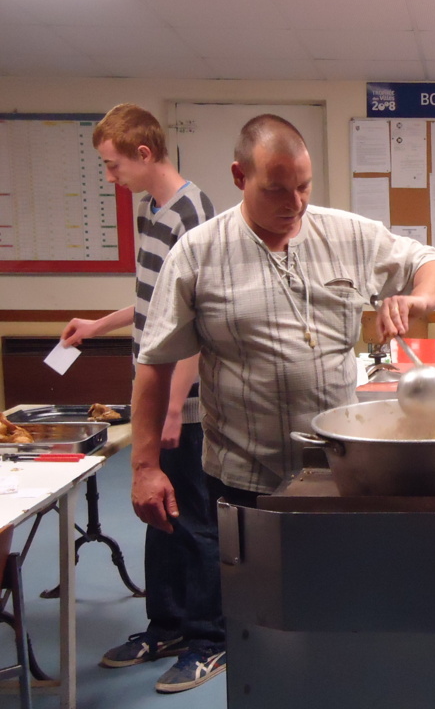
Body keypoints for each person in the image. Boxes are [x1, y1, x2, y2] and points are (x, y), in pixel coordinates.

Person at [129, 107, 435, 654]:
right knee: (257, 621)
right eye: (276, 189)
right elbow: (154, 364)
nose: (295, 203)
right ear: (239, 177)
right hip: (245, 474)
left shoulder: (348, 234)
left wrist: (418, 299)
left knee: (339, 607)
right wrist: (144, 467)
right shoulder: (199, 252)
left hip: (338, 472)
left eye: (303, 186)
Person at [59, 103, 220, 694]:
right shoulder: (152, 212)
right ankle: (167, 625)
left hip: (189, 405)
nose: (111, 177)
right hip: (157, 398)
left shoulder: (193, 213)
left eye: (113, 165)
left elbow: (199, 318)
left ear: (144, 154)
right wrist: (98, 325)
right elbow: (155, 301)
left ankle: (209, 639)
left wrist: (175, 406)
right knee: (157, 512)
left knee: (195, 520)